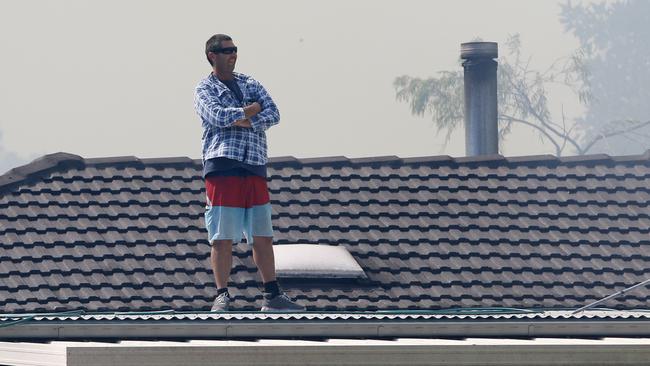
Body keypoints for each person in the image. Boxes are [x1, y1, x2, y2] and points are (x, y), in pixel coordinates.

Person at [194, 34, 304, 312]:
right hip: (223, 165)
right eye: (226, 50)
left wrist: (244, 119)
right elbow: (217, 116)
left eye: (235, 50)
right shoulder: (204, 88)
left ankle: (272, 294)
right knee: (222, 235)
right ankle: (222, 295)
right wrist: (252, 111)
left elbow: (275, 113)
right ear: (212, 55)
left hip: (254, 164)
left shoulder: (250, 82)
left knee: (262, 233)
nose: (233, 54)